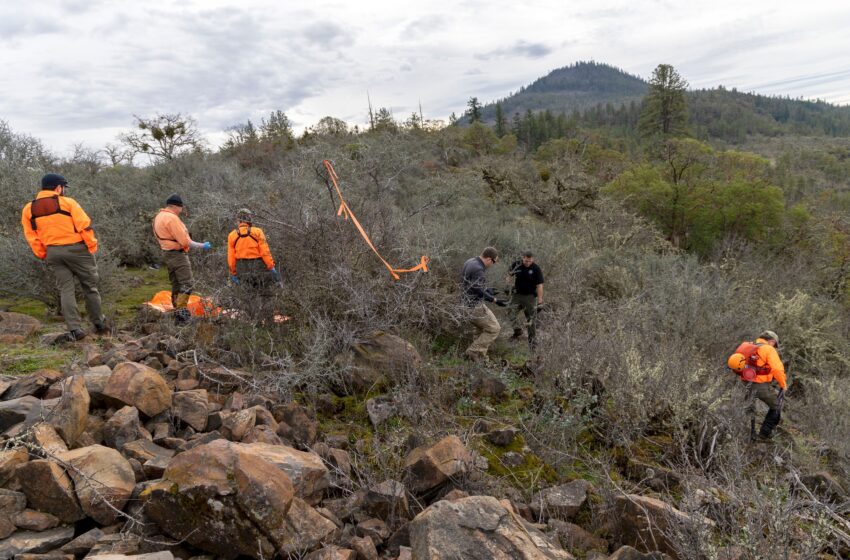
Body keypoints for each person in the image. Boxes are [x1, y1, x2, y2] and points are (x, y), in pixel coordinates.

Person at [21, 173, 106, 342]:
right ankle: (99, 324)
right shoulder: (68, 203)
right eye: (63, 188)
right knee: (90, 287)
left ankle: (74, 329)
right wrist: (91, 246)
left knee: (66, 290)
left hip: (53, 252)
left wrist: (43, 253)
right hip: (77, 250)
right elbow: (85, 226)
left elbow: (31, 235)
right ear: (58, 187)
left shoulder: (28, 209)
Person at [152, 194, 211, 322]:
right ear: (175, 206)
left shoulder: (158, 217)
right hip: (177, 254)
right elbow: (185, 241)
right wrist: (202, 245)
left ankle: (177, 310)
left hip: (167, 253)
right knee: (187, 282)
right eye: (181, 207)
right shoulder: (172, 218)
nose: (181, 210)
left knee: (176, 283)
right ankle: (182, 312)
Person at [728, 330, 787, 442]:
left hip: (744, 382)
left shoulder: (747, 345)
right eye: (775, 344)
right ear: (772, 341)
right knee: (776, 406)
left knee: (750, 408)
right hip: (759, 384)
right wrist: (783, 385)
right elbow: (777, 369)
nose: (775, 347)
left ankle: (749, 434)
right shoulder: (768, 349)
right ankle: (764, 434)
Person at [227, 209, 281, 315]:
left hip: (242, 269)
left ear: (238, 220)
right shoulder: (257, 231)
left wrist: (233, 272)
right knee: (266, 295)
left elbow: (231, 258)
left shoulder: (232, 235)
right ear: (250, 219)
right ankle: (268, 319)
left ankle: (253, 322)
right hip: (260, 267)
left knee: (249, 296)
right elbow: (265, 252)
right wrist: (271, 267)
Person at [461, 247, 508, 362]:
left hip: (464, 304)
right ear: (488, 259)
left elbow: (471, 284)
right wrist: (494, 300)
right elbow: (477, 289)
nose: (493, 264)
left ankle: (476, 359)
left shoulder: (470, 262)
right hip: (474, 306)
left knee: (480, 328)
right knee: (494, 328)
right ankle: (473, 352)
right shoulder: (479, 269)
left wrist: (488, 289)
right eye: (494, 262)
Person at [506, 250, 544, 348]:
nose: (527, 263)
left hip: (530, 297)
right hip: (517, 295)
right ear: (523, 258)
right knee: (510, 310)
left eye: (529, 261)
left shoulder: (536, 269)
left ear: (533, 260)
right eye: (526, 261)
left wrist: (540, 301)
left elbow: (540, 285)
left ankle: (532, 344)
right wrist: (507, 286)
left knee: (531, 320)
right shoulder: (517, 265)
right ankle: (517, 330)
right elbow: (509, 275)